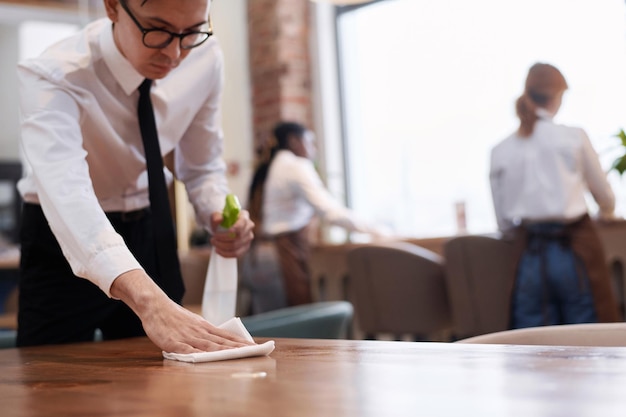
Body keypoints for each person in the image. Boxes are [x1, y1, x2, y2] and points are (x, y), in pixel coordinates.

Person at [16, 0, 255, 353]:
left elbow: (202, 166)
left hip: (149, 226)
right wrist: (149, 301)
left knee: (167, 384)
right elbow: (69, 198)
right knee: (50, 381)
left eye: (190, 32)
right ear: (113, 7)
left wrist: (217, 213)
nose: (174, 53)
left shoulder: (205, 58)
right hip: (62, 243)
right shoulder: (54, 73)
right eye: (157, 30)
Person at [489, 62, 621, 329]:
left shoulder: (501, 150)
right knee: (586, 339)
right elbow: (604, 196)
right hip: (575, 252)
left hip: (529, 255)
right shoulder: (573, 137)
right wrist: (606, 214)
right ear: (558, 96)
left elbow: (503, 222)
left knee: (532, 343)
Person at [246, 121, 390, 308]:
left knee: (270, 328)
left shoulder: (270, 168)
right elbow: (329, 211)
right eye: (310, 141)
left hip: (259, 258)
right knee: (293, 326)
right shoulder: (295, 166)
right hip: (283, 255)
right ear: (293, 141)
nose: (313, 149)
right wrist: (376, 229)